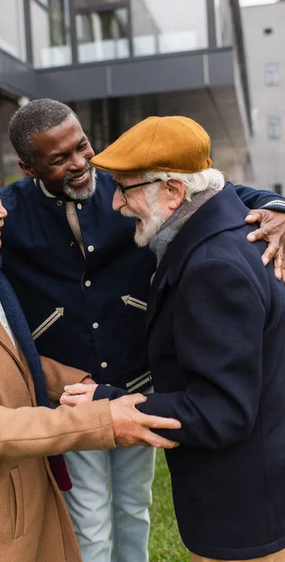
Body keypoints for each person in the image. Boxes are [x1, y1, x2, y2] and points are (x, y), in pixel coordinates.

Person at [0, 101, 285, 562]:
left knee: (135, 507)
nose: (80, 164)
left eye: (82, 147)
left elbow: (211, 190)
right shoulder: (7, 210)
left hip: (135, 383)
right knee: (91, 519)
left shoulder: (128, 184)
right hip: (73, 399)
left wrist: (278, 206)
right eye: (59, 159)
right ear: (28, 167)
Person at [0, 137, 182, 562]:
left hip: (27, 492)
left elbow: (15, 361)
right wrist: (104, 417)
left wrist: (87, 385)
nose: (3, 211)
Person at [61, 116, 285, 562]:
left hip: (241, 517)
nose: (116, 205)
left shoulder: (212, 267)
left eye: (125, 190)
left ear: (172, 191)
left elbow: (222, 412)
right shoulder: (225, 223)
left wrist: (110, 403)